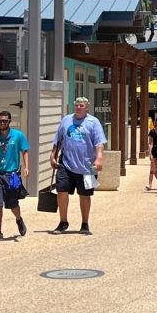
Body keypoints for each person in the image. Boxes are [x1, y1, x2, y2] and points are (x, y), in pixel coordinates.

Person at [50, 96, 106, 234]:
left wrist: (99, 158)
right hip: (66, 163)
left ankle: (85, 223)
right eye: (76, 105)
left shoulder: (94, 122)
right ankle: (63, 222)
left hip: (87, 167)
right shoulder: (66, 120)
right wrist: (52, 155)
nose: (78, 107)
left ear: (87, 107)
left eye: (81, 105)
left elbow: (99, 143)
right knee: (61, 191)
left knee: (85, 195)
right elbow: (58, 139)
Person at [0, 110, 30, 243]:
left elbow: (25, 151)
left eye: (5, 120)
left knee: (12, 203)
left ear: (9, 121)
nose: (2, 123)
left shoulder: (18, 136)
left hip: (12, 175)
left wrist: (26, 167)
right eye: (0, 121)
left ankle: (19, 219)